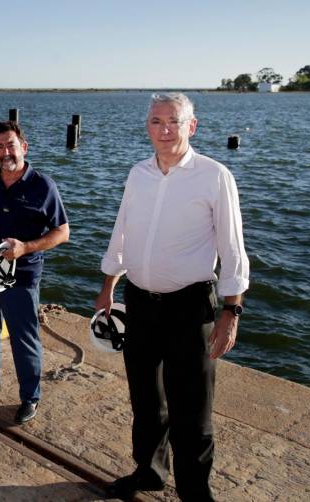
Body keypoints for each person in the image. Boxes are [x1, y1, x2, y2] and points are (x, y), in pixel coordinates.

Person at [96, 93, 249, 501]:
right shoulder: (138, 173)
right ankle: (150, 471)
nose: (164, 130)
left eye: (173, 122)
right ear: (147, 126)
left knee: (193, 411)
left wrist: (231, 311)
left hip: (189, 307)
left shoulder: (215, 177)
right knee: (146, 401)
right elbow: (122, 230)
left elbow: (233, 250)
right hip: (141, 303)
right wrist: (109, 284)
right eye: (156, 121)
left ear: (191, 126)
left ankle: (195, 493)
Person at [0, 121, 69, 424]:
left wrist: (26, 247)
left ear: (24, 147)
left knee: (24, 338)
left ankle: (30, 397)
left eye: (11, 145)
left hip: (22, 276)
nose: (5, 152)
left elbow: (62, 232)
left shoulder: (43, 186)